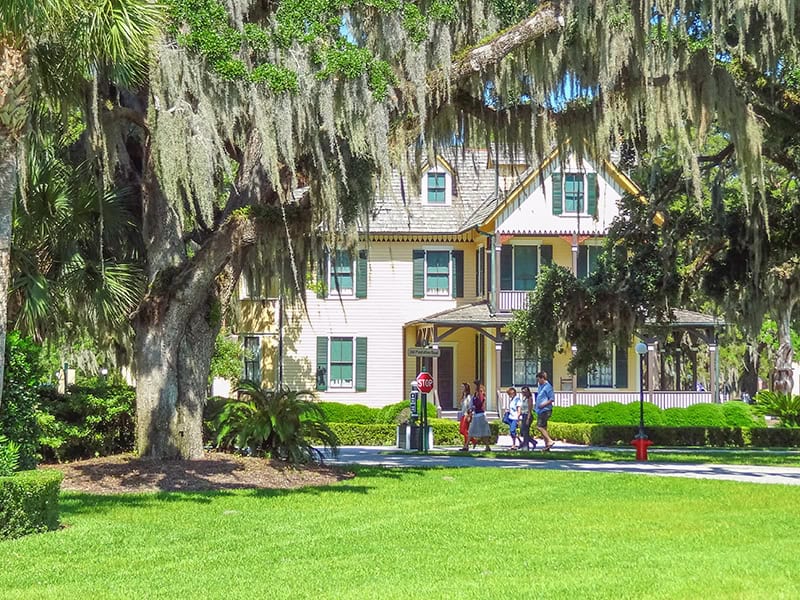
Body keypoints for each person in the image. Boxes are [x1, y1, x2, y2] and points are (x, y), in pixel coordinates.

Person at [468, 380, 492, 452]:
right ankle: (466, 446)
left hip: (481, 415)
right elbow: (472, 404)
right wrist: (471, 410)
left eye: (477, 388)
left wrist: (474, 407)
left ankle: (487, 446)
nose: (476, 389)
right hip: (476, 415)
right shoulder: (475, 395)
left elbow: (479, 403)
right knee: (471, 431)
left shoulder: (481, 395)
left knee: (484, 432)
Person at [535, 371, 555, 451]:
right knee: (544, 428)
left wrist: (542, 405)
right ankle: (547, 446)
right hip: (540, 410)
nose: (538, 381)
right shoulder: (540, 386)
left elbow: (551, 399)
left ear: (543, 378)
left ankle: (550, 440)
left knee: (539, 426)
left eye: (539, 379)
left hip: (545, 410)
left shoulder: (548, 387)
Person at [519, 386, 537, 450]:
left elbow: (530, 410)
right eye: (522, 392)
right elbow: (522, 408)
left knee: (525, 431)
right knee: (522, 431)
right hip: (524, 415)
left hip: (528, 415)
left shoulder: (530, 398)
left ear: (528, 392)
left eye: (525, 392)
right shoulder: (524, 398)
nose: (523, 393)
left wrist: (528, 418)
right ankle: (533, 442)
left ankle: (526, 446)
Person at [458, 382, 473, 451]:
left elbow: (470, 407)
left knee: (464, 430)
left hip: (466, 415)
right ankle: (473, 440)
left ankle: (466, 446)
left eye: (462, 387)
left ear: (466, 389)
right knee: (462, 431)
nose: (461, 389)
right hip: (462, 414)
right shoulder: (463, 396)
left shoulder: (468, 397)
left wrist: (469, 415)